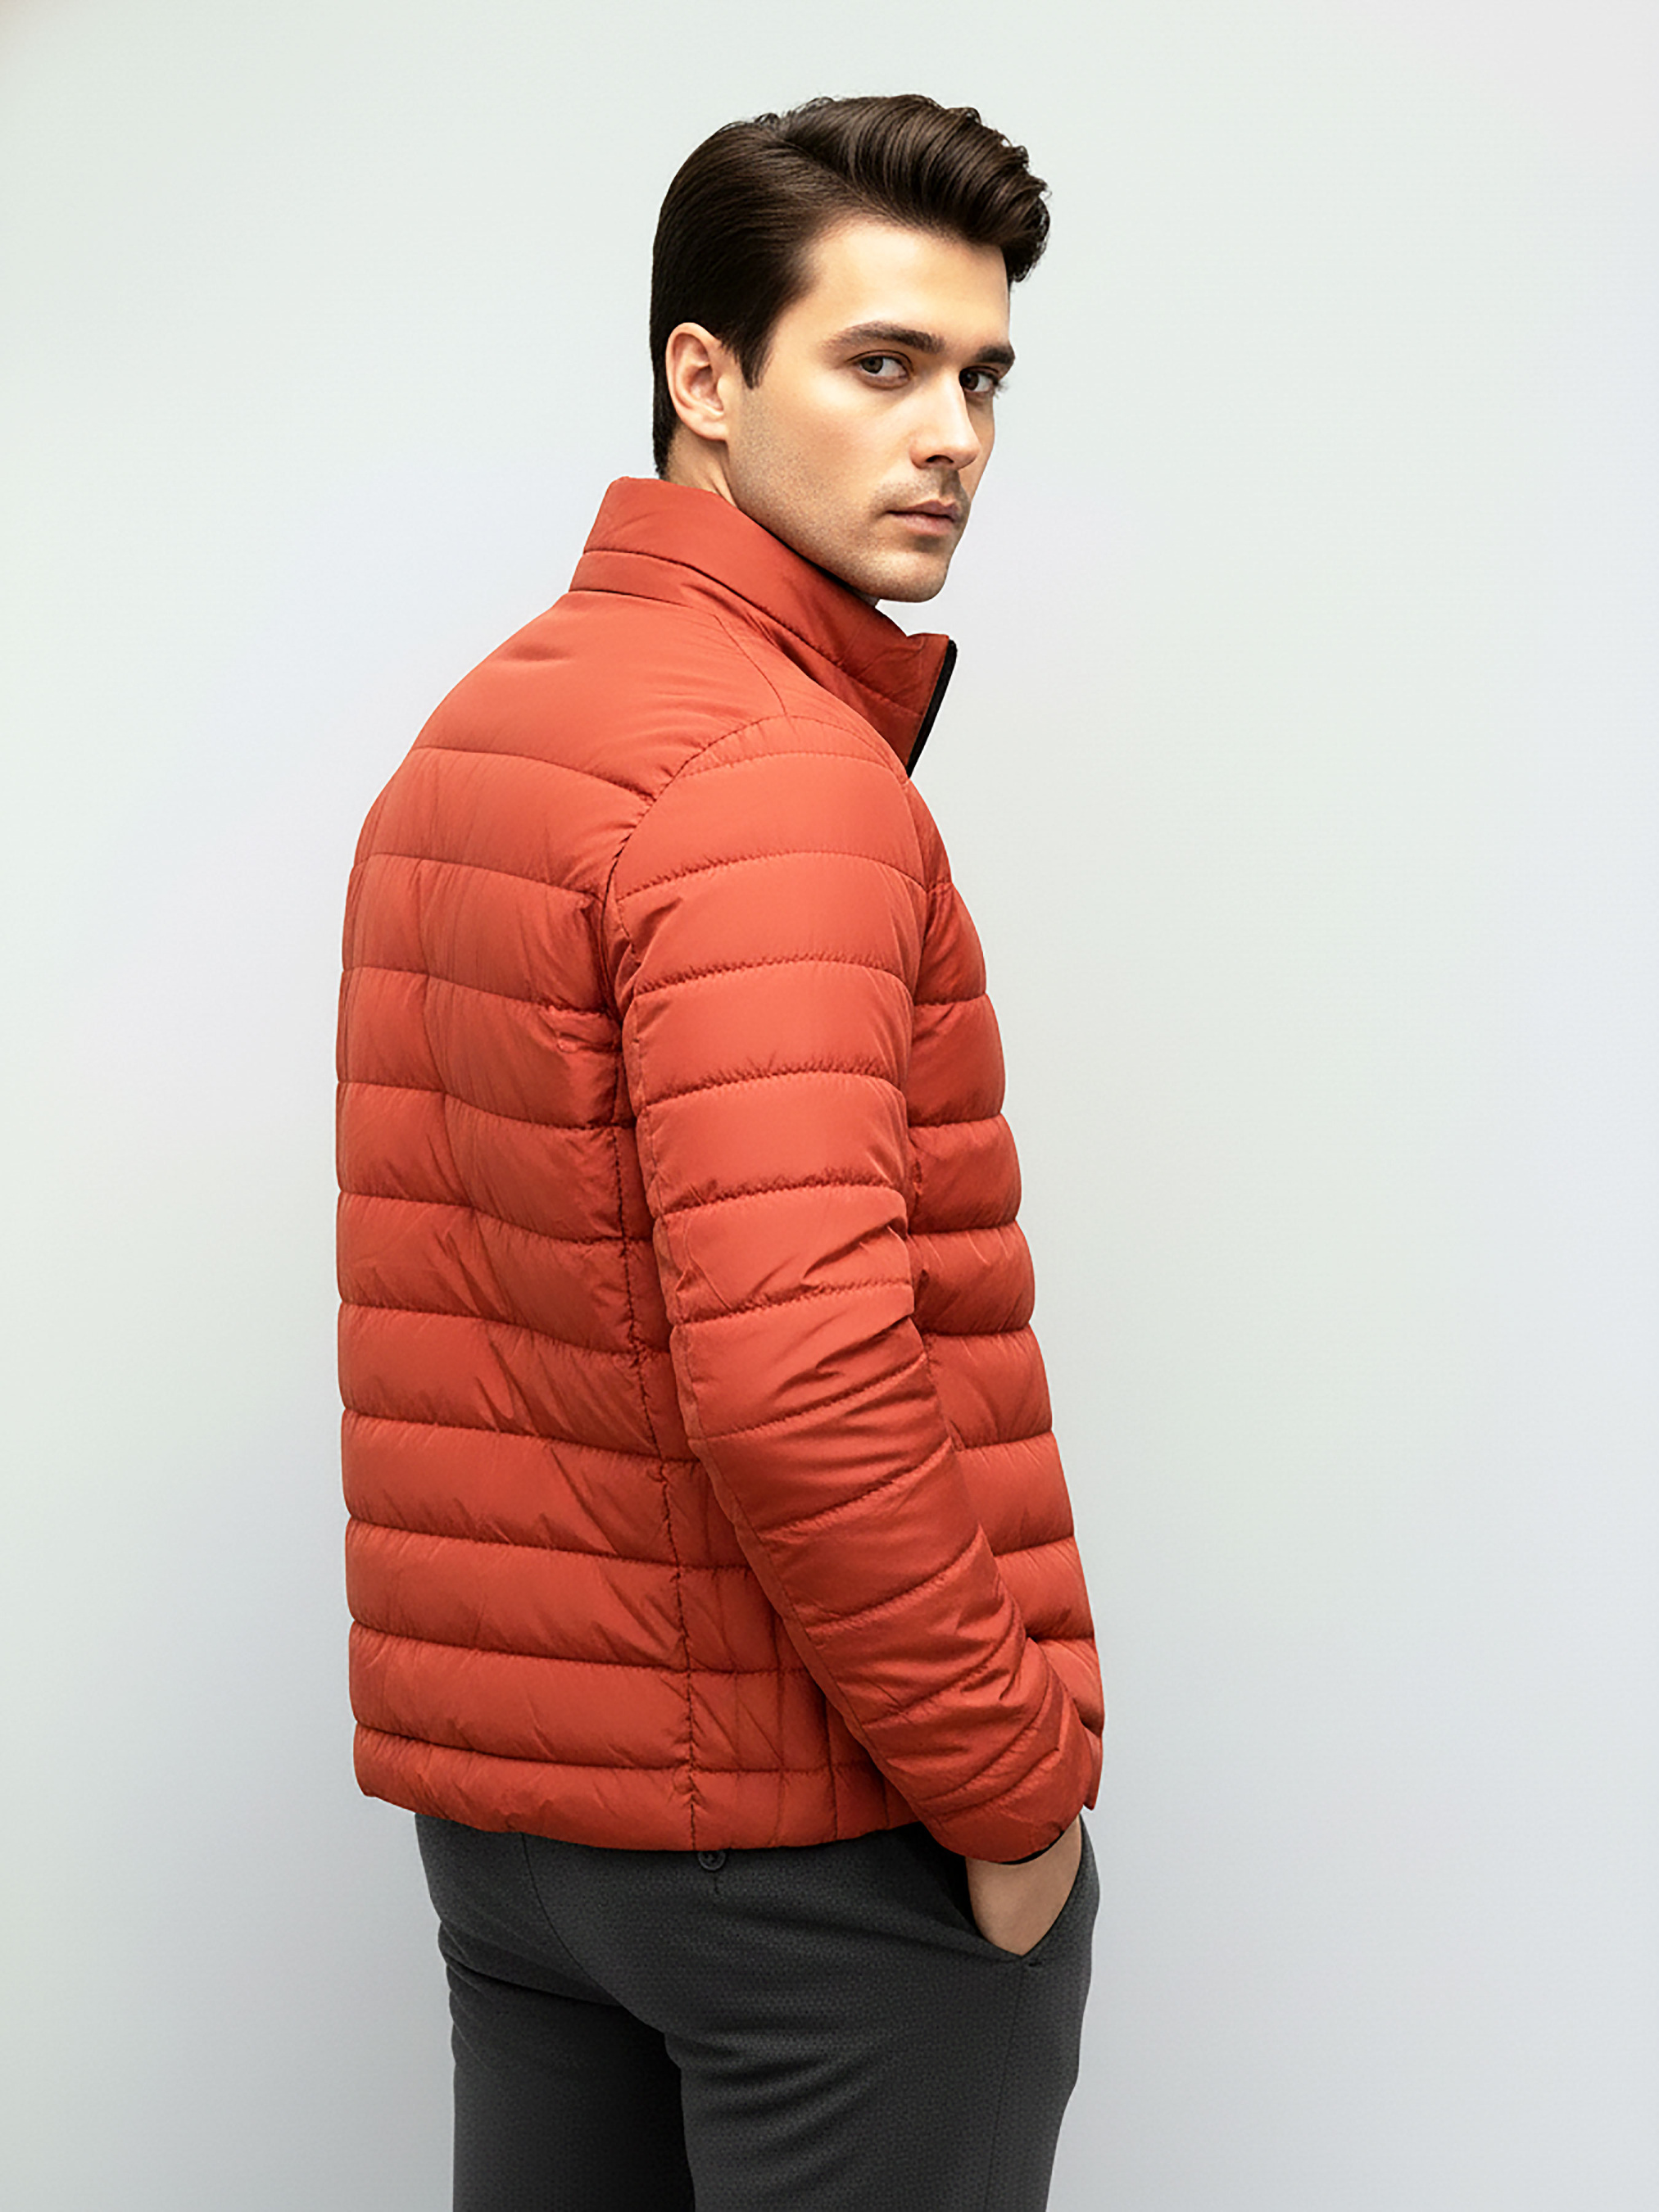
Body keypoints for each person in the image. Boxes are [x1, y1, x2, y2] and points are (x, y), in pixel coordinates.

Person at [337, 91, 1104, 2212]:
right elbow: (795, 1374)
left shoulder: (487, 726)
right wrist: (1013, 1792)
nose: (951, 436)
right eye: (883, 364)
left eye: (981, 378)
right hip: (809, 1854)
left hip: (526, 1841)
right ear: (704, 376)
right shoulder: (775, 777)